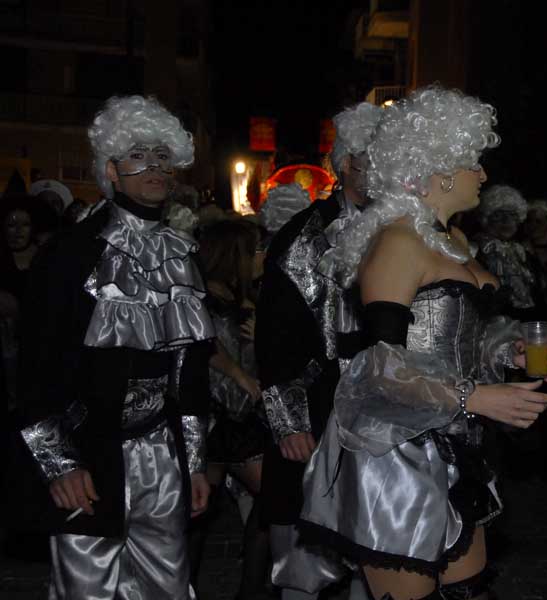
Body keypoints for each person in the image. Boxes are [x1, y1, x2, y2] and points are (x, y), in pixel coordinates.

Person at [299, 85, 547, 600]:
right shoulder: (399, 241)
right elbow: (377, 368)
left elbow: (451, 336)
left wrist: (503, 351)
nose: (482, 174)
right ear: (440, 170)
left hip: (456, 444)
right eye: (473, 162)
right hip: (398, 452)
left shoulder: (455, 241)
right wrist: (475, 398)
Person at [12, 95, 215, 599]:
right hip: (89, 454)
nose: (154, 168)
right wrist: (60, 463)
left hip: (161, 457)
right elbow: (35, 368)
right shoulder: (69, 254)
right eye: (138, 156)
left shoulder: (181, 254)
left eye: (162, 156)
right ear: (111, 169)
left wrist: (192, 461)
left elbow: (190, 370)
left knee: (167, 588)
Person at [254, 101, 382, 600]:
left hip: (378, 407)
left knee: (374, 547)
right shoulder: (305, 235)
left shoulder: (400, 231)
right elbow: (275, 333)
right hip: (317, 404)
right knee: (305, 555)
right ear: (347, 163)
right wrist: (289, 421)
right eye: (373, 158)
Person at [191, 217, 270, 599]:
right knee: (274, 499)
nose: (262, 256)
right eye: (255, 250)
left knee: (198, 513)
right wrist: (241, 374)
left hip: (229, 418)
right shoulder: (207, 300)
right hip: (223, 418)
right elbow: (207, 349)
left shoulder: (236, 296)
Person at [474, 184, 537, 320]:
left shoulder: (522, 253)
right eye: (498, 215)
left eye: (512, 215)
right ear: (486, 218)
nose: (506, 221)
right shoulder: (478, 250)